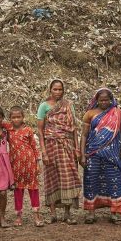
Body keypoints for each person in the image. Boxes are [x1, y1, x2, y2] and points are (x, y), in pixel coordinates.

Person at [37, 79, 81, 225]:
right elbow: (40, 130)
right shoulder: (43, 106)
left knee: (68, 176)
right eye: (55, 89)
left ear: (63, 90)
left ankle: (67, 214)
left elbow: (73, 127)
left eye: (60, 89)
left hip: (66, 145)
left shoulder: (68, 105)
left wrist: (77, 148)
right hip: (50, 146)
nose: (57, 92)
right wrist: (43, 152)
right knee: (51, 178)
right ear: (50, 89)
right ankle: (53, 213)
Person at [79, 88, 121, 224]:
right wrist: (82, 155)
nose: (104, 102)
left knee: (115, 181)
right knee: (91, 181)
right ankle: (91, 213)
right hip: (92, 154)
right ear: (96, 100)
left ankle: (115, 213)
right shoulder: (90, 114)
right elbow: (84, 135)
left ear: (111, 100)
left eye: (107, 100)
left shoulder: (118, 113)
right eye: (101, 100)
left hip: (113, 154)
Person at [5, 106, 44, 227]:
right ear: (10, 118)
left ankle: (37, 216)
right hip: (15, 166)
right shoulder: (8, 129)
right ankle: (18, 216)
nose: (16, 119)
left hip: (30, 165)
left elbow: (34, 146)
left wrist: (38, 163)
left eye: (19, 117)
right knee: (18, 191)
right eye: (13, 117)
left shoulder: (28, 130)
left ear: (23, 117)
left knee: (33, 190)